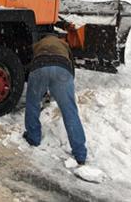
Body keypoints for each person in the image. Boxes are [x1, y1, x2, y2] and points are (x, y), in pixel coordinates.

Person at [24, 32, 87, 165]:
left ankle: (33, 137)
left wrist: (39, 88)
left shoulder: (38, 45)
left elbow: (31, 64)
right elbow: (71, 65)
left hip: (40, 66)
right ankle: (80, 153)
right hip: (62, 68)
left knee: (32, 103)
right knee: (69, 111)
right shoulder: (64, 44)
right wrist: (66, 87)